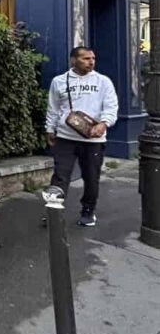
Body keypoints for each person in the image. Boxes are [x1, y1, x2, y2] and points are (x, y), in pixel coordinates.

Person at [45, 46, 119, 227]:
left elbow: (111, 107)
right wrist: (49, 129)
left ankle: (88, 211)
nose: (91, 61)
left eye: (93, 58)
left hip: (93, 140)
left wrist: (103, 124)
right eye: (86, 58)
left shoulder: (103, 81)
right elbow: (53, 108)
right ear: (73, 60)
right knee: (60, 176)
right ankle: (54, 212)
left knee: (91, 177)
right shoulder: (59, 81)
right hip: (65, 137)